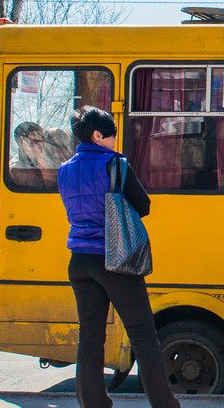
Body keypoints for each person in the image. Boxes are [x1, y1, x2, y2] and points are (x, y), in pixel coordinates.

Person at [57, 106, 180, 408]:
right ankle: (165, 404)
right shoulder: (115, 163)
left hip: (80, 261)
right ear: (98, 135)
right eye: (112, 134)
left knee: (90, 337)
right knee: (143, 336)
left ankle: (94, 403)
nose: (114, 140)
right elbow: (143, 204)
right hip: (116, 259)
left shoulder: (65, 170)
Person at [11, 121, 74, 188]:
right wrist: (43, 166)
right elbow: (47, 188)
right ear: (22, 143)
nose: (41, 145)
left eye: (43, 139)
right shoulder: (17, 168)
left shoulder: (49, 154)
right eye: (35, 141)